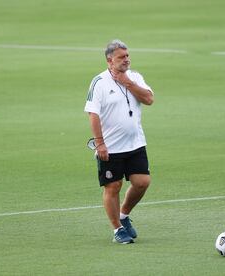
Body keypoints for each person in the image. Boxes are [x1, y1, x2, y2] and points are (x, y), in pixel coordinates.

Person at [84, 39, 154, 244]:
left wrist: (128, 83)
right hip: (110, 147)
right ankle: (117, 229)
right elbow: (93, 114)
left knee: (142, 182)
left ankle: (124, 215)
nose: (126, 60)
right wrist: (100, 143)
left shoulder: (134, 77)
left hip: (135, 143)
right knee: (112, 187)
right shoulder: (99, 82)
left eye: (127, 56)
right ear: (109, 60)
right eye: (121, 57)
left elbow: (149, 99)